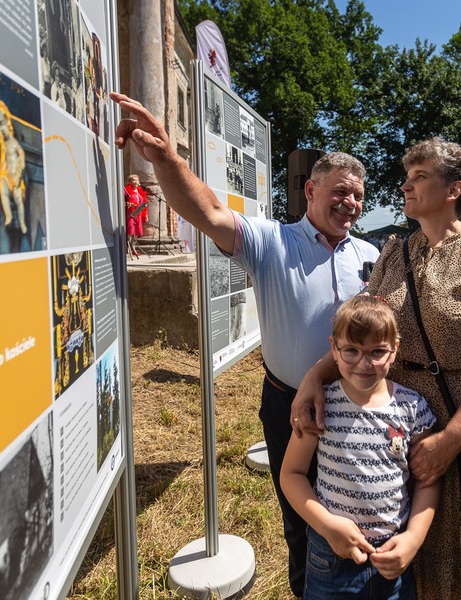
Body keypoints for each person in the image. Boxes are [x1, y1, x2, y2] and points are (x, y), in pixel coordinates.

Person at [110, 91, 379, 596]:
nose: (351, 203)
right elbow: (208, 210)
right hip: (289, 406)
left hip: (356, 407)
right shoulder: (272, 240)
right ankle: (306, 589)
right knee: (300, 516)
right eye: (340, 192)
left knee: (356, 512)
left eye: (358, 196)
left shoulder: (369, 253)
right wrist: (167, 158)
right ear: (311, 193)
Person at [293, 137, 461, 599]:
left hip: (459, 421)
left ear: (455, 189)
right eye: (407, 176)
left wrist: (451, 439)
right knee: (393, 564)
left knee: (459, 570)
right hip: (388, 422)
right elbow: (364, 337)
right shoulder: (395, 252)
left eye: (419, 176)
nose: (405, 185)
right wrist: (313, 379)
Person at [280, 295, 439, 599]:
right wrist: (327, 525)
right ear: (334, 349)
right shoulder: (320, 404)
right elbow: (292, 474)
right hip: (330, 558)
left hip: (394, 559)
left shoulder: (413, 406)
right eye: (351, 350)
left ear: (395, 349)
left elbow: (428, 479)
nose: (364, 363)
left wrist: (414, 540)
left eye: (377, 352)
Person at [0, 99, 27, 234]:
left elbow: (21, 156)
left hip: (15, 178)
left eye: (1, 124)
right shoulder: (2, 144)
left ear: (8, 122)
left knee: (18, 200)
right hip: (5, 175)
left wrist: (19, 174)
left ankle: (22, 222)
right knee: (3, 190)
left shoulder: (14, 143)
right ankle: (9, 215)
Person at [124, 174, 147, 257]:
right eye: (134, 180)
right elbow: (121, 201)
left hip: (138, 213)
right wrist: (127, 204)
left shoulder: (140, 191)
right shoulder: (126, 191)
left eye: (137, 180)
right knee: (130, 230)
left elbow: (143, 202)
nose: (136, 181)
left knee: (136, 231)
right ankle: (127, 248)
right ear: (130, 182)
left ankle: (133, 248)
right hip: (130, 213)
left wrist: (145, 213)